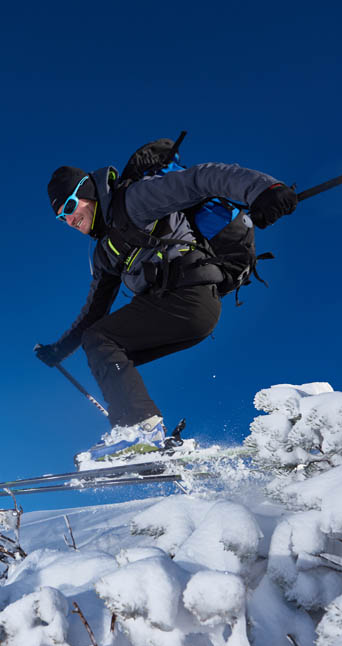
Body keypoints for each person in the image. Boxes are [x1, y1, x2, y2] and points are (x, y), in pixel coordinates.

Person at [35, 157, 298, 460]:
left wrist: (264, 188)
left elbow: (199, 179)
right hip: (179, 309)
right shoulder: (104, 254)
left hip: (190, 295)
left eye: (69, 208)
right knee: (104, 351)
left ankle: (140, 430)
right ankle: (141, 444)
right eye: (61, 219)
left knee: (101, 341)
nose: (69, 221)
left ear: (87, 192)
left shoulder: (134, 200)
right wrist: (60, 350)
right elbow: (94, 312)